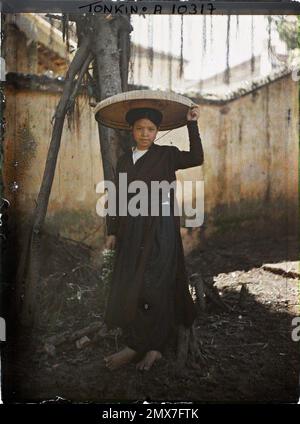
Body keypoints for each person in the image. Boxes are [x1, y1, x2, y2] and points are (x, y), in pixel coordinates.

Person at [103, 105, 204, 371]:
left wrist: (192, 124)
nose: (145, 133)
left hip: (161, 230)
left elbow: (196, 157)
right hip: (131, 232)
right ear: (132, 131)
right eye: (139, 128)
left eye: (150, 129)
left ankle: (153, 348)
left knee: (156, 284)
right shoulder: (125, 160)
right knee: (132, 283)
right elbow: (117, 196)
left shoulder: (167, 155)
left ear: (157, 131)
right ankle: (137, 344)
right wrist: (112, 232)